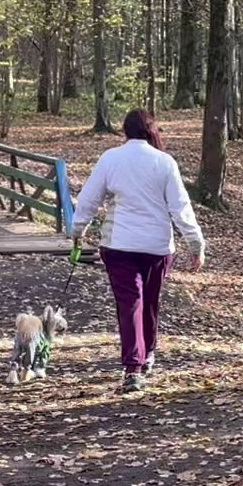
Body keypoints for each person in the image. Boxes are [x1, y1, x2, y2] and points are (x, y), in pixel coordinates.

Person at [70, 109, 206, 392]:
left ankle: (134, 366)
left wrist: (77, 232)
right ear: (151, 130)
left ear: (124, 131)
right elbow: (180, 207)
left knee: (130, 303)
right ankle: (148, 354)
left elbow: (88, 200)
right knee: (150, 301)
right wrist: (196, 244)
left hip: (119, 245)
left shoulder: (111, 159)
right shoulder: (164, 162)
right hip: (157, 247)